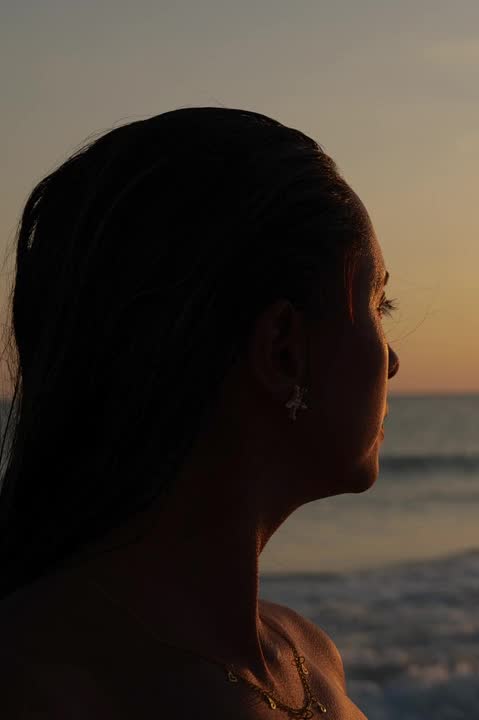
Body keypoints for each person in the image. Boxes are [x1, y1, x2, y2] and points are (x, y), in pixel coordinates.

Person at [0, 108, 399, 718]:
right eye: (378, 304)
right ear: (283, 349)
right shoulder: (41, 687)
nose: (392, 359)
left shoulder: (307, 653)